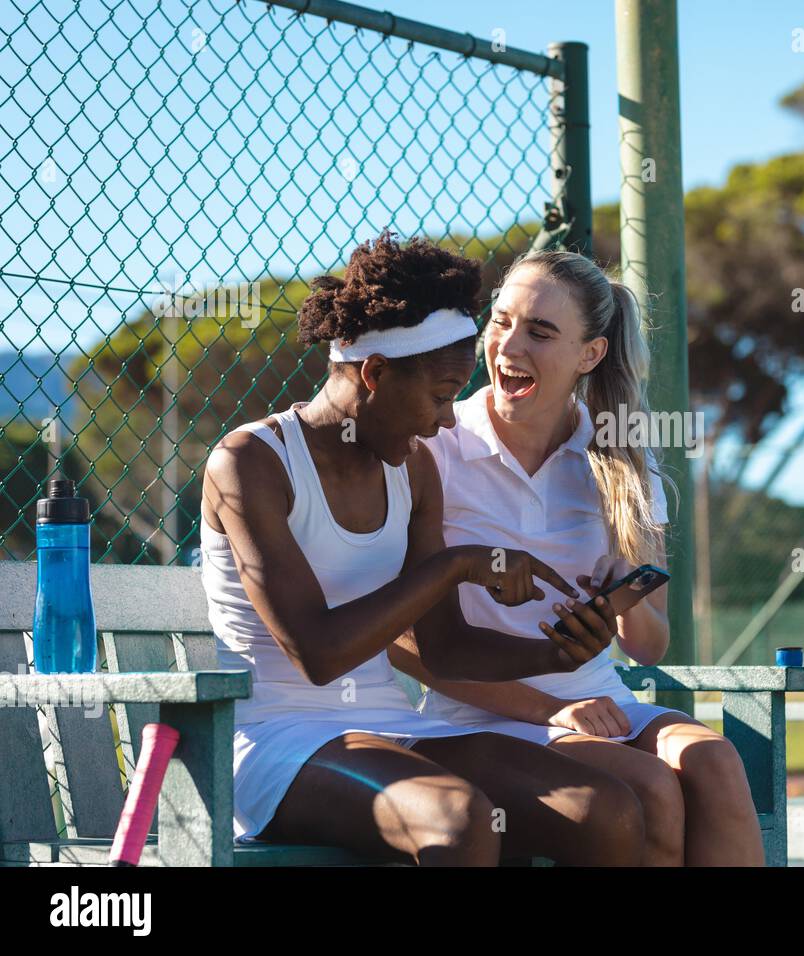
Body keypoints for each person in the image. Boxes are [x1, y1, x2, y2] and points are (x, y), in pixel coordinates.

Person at [199, 231, 646, 865]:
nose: (445, 420)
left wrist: (555, 649)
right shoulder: (251, 462)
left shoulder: (411, 469)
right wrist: (457, 566)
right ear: (375, 374)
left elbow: (446, 648)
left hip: (391, 728)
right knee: (461, 819)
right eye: (440, 395)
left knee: (605, 807)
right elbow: (318, 654)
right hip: (273, 739)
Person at [398, 249, 765, 866]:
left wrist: (627, 597)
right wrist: (557, 710)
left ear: (589, 355)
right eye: (501, 321)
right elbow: (410, 646)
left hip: (602, 702)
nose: (509, 347)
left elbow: (650, 647)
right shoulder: (435, 448)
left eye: (540, 332)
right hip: (479, 717)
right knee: (649, 788)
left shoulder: (622, 459)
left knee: (715, 761)